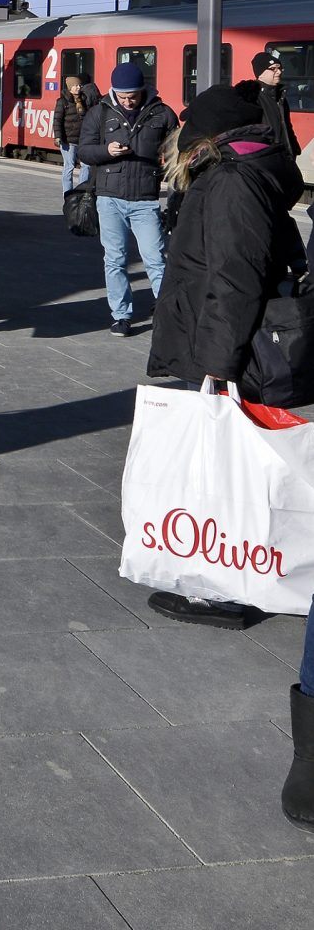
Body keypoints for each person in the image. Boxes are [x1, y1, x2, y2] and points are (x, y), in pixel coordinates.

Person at [145, 83, 304, 631]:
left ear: (206, 135)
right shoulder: (247, 174)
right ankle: (235, 578)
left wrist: (218, 367)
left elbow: (234, 280)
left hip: (225, 352)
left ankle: (224, 592)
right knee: (227, 470)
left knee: (221, 474)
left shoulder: (232, 183)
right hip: (227, 346)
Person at [77, 60, 177, 335]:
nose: (128, 101)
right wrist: (107, 151)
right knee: (115, 259)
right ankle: (121, 315)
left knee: (155, 258)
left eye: (132, 96)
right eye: (122, 97)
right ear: (113, 92)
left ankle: (168, 313)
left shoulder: (163, 114)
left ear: (143, 90)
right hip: (109, 197)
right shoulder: (99, 113)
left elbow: (177, 155)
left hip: (145, 199)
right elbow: (84, 152)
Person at [55, 74, 96, 195]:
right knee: (69, 167)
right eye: (75, 85)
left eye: (79, 85)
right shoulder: (62, 102)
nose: (78, 87)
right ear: (70, 88)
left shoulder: (84, 100)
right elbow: (57, 120)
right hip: (68, 140)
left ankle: (80, 192)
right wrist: (58, 136)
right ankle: (67, 194)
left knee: (86, 165)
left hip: (83, 139)